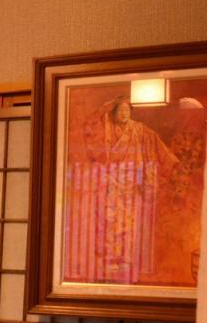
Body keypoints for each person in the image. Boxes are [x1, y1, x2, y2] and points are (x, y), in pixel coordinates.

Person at [64, 95, 186, 285]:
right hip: (109, 184)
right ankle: (108, 262)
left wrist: (172, 161)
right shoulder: (105, 128)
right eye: (120, 110)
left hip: (130, 185)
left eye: (127, 110)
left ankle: (126, 260)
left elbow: (155, 143)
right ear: (113, 112)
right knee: (107, 222)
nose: (124, 113)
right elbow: (90, 128)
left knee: (129, 223)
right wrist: (108, 104)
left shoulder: (139, 130)